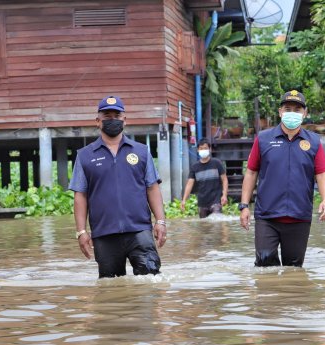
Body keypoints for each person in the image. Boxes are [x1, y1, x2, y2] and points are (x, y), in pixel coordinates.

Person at [69, 95, 167, 278]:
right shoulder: (84, 156)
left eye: (117, 115)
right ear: (98, 121)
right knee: (110, 289)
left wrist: (160, 221)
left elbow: (152, 187)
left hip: (139, 230)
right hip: (104, 234)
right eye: (107, 116)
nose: (112, 119)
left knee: (152, 280)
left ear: (124, 120)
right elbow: (80, 195)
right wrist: (81, 231)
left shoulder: (141, 151)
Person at [239, 90, 325, 266]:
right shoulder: (264, 139)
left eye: (297, 110)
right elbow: (251, 172)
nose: (292, 113)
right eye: (287, 108)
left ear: (305, 113)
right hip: (267, 216)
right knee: (264, 266)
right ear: (280, 112)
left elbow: (321, 173)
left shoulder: (314, 142)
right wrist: (244, 206)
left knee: (294, 270)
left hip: (299, 216)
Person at [180, 140, 228, 218]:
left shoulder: (217, 163)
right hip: (202, 203)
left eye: (205, 148)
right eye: (201, 148)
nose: (203, 150)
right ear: (198, 150)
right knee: (204, 227)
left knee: (217, 223)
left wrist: (224, 195)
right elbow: (189, 184)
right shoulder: (195, 167)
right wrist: (184, 200)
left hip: (216, 201)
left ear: (210, 149)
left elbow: (224, 179)